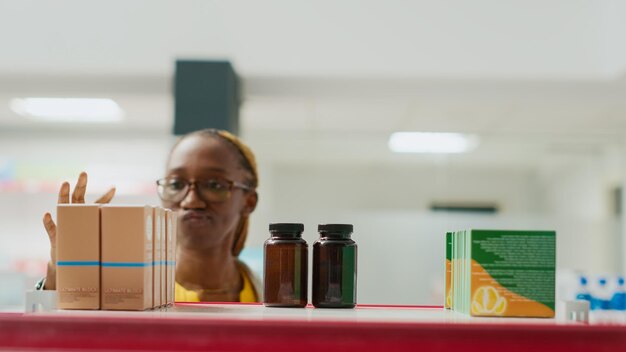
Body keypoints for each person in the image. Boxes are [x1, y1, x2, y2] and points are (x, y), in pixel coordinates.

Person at [39, 129, 261, 302]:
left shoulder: (265, 292)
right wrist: (66, 272)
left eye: (214, 184)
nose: (191, 200)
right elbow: (46, 337)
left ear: (248, 202)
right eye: (176, 183)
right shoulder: (122, 288)